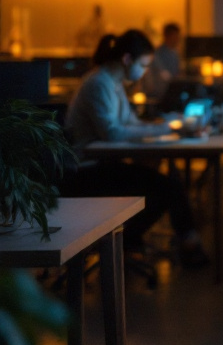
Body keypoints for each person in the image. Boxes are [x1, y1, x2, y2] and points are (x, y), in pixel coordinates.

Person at [64, 29, 209, 267]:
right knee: (166, 187)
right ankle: (138, 241)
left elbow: (131, 123)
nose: (144, 72)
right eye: (143, 65)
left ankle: (133, 241)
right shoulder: (99, 84)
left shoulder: (113, 82)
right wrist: (167, 130)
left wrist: (166, 123)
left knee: (166, 185)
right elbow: (113, 133)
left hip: (102, 165)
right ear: (127, 59)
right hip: (86, 170)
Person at [142, 22, 182, 101]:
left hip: (170, 96)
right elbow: (164, 76)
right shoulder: (156, 54)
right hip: (157, 97)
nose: (177, 39)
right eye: (175, 36)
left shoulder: (175, 55)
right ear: (167, 36)